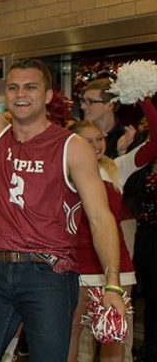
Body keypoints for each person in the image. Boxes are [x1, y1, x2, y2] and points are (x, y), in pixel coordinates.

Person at [0, 0, 125, 362]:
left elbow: (99, 217)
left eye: (29, 87)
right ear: (6, 95)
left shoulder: (72, 147)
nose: (20, 94)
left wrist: (113, 283)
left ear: (46, 94)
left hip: (48, 274)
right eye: (13, 87)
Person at [67, 105, 157, 362]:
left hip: (116, 262)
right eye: (88, 140)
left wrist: (143, 98)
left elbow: (155, 142)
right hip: (77, 262)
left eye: (99, 139)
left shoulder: (117, 167)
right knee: (72, 330)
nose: (96, 145)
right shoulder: (64, 172)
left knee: (114, 331)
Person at [79, 79, 127, 158]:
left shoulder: (129, 137)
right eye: (83, 101)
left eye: (90, 102)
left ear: (110, 105)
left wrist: (121, 154)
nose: (83, 106)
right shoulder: (77, 135)